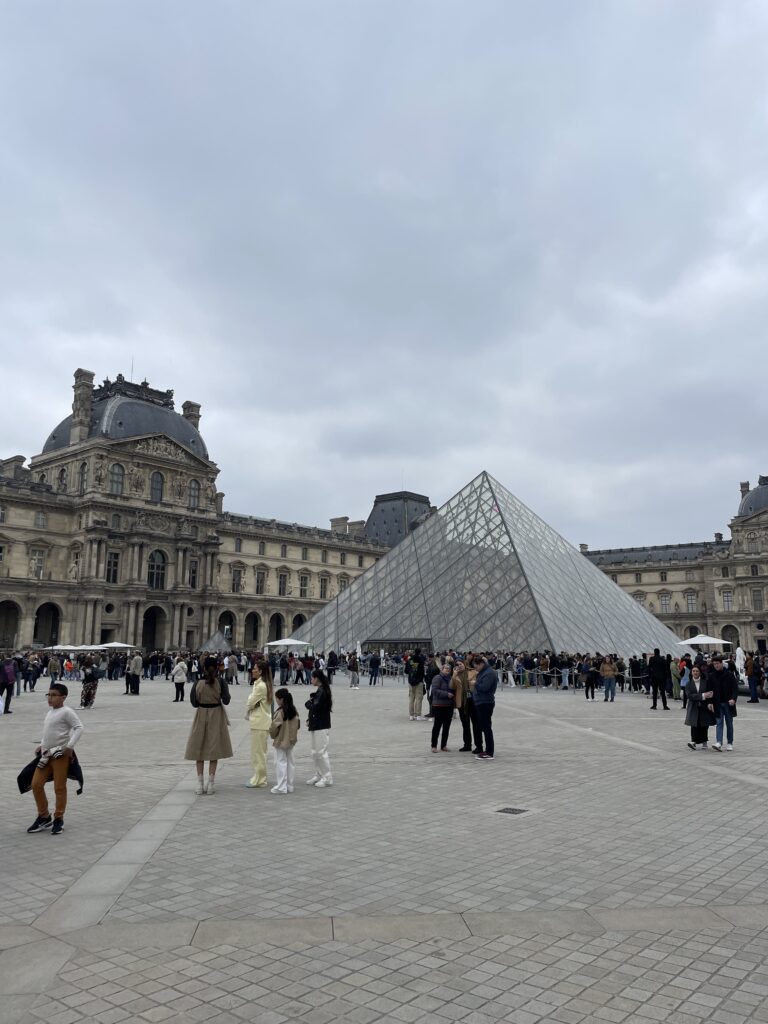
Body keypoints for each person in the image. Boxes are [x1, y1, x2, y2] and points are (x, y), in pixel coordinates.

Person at [27, 683, 83, 834]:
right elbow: (49, 731)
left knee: (59, 787)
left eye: (53, 695)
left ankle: (59, 818)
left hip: (60, 755)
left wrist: (70, 746)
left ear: (63, 697)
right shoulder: (50, 712)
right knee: (36, 784)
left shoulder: (67, 712)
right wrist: (42, 744)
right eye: (48, 695)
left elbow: (79, 727)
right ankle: (44, 816)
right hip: (46, 754)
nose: (50, 698)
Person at [185, 656, 233, 794]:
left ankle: (199, 784)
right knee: (214, 748)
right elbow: (227, 700)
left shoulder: (197, 683)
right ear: (217, 668)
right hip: (216, 714)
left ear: (204, 668)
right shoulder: (221, 682)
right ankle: (210, 784)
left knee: (198, 748)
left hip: (201, 714)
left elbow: (194, 703)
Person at [246, 661, 273, 787]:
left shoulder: (260, 686)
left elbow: (250, 702)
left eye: (255, 668)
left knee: (258, 753)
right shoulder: (261, 684)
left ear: (261, 671)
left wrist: (250, 699)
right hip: (260, 721)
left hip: (260, 721)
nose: (252, 670)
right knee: (258, 752)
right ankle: (258, 776)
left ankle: (260, 779)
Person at [305, 669, 333, 787]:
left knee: (321, 752)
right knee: (315, 752)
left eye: (312, 678)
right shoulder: (320, 690)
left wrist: (308, 703)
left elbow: (315, 707)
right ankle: (319, 774)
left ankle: (327, 777)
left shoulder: (323, 691)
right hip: (316, 724)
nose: (311, 680)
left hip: (321, 725)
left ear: (317, 678)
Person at [270, 687, 300, 794]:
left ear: (281, 699)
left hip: (281, 740)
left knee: (280, 762)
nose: (276, 701)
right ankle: (289, 785)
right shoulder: (294, 710)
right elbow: (298, 725)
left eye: (277, 699)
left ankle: (281, 786)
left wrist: (272, 735)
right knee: (290, 762)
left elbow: (274, 727)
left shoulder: (280, 712)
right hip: (291, 740)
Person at [709, 654, 738, 751]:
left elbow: (735, 688)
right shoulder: (712, 675)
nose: (716, 666)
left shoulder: (729, 674)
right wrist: (710, 702)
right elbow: (709, 690)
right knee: (719, 723)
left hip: (728, 703)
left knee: (729, 723)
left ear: (722, 663)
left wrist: (733, 699)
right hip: (717, 703)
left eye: (717, 663)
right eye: (714, 664)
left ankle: (730, 743)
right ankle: (719, 742)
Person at [473, 656, 497, 760]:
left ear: (481, 664)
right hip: (482, 702)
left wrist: (475, 683)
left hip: (485, 702)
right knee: (484, 727)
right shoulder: (485, 672)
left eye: (476, 666)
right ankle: (487, 750)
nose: (475, 669)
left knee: (486, 728)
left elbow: (484, 688)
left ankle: (489, 752)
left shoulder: (489, 673)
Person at [684, 665, 714, 750]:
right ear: (691, 672)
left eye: (697, 671)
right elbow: (690, 696)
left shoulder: (705, 682)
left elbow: (710, 693)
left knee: (704, 724)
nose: (695, 673)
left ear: (700, 672)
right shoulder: (688, 683)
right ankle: (693, 741)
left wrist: (708, 700)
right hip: (693, 706)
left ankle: (704, 741)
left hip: (704, 706)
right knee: (694, 724)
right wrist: (703, 695)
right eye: (693, 671)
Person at [429, 660, 455, 752]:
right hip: (439, 705)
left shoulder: (451, 678)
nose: (447, 670)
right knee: (437, 726)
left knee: (446, 727)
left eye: (449, 669)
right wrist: (446, 694)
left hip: (448, 706)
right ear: (442, 669)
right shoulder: (437, 678)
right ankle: (434, 745)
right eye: (446, 668)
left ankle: (444, 745)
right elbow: (435, 691)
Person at [408, 649, 425, 719]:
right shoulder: (421, 660)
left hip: (411, 681)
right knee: (419, 699)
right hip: (419, 681)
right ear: (420, 652)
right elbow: (422, 671)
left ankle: (411, 715)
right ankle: (418, 715)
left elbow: (406, 670)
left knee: (411, 699)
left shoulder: (410, 660)